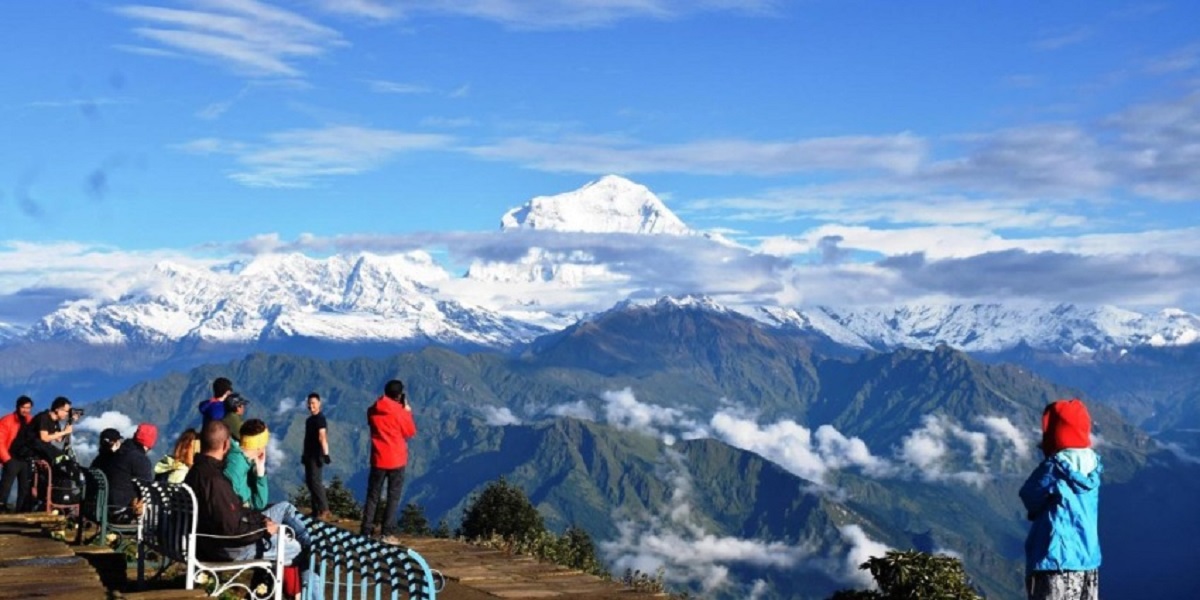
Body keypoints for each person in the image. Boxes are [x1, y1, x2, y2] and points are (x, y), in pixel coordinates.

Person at [1019, 398, 1102, 600]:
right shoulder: (1094, 465)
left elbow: (1029, 494)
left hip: (1055, 559)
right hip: (1088, 560)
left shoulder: (1054, 467)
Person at [184, 420, 299, 564]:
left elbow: (233, 511)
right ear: (226, 445)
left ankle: (265, 582)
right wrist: (263, 529)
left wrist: (261, 520)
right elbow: (232, 529)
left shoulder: (194, 473)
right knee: (294, 547)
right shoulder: (216, 481)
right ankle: (271, 582)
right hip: (223, 549)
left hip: (204, 542)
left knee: (284, 528)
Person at [224, 419, 312, 550]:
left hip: (240, 525)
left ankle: (307, 546)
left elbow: (259, 504)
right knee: (289, 519)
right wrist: (262, 522)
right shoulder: (236, 467)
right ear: (260, 446)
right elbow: (240, 508)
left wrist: (259, 470)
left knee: (285, 509)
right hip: (238, 536)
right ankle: (309, 548)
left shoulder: (238, 459)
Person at [361, 379, 417, 543]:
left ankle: (366, 530)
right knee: (393, 496)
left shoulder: (372, 410)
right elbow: (410, 432)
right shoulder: (400, 412)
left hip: (378, 458)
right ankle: (387, 533)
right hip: (396, 459)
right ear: (400, 396)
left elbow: (371, 421)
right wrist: (407, 411)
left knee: (373, 496)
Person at [100, 423, 155, 524]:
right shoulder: (139, 459)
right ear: (150, 443)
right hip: (120, 512)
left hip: (101, 507)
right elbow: (147, 489)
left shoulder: (118, 452)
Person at [301, 392, 332, 520]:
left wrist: (326, 454)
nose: (311, 406)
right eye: (309, 403)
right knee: (310, 482)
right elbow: (307, 439)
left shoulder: (320, 419)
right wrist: (304, 454)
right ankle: (315, 510)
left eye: (313, 403)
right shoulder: (309, 420)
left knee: (316, 482)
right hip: (308, 454)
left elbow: (322, 436)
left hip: (316, 455)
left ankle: (324, 509)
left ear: (319, 403)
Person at [0, 396, 34, 512]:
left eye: (28, 408)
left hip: (25, 460)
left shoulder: (31, 421)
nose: (26, 410)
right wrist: (7, 459)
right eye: (23, 407)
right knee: (5, 487)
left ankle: (20, 513)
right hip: (12, 458)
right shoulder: (7, 420)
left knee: (25, 489)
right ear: (18, 407)